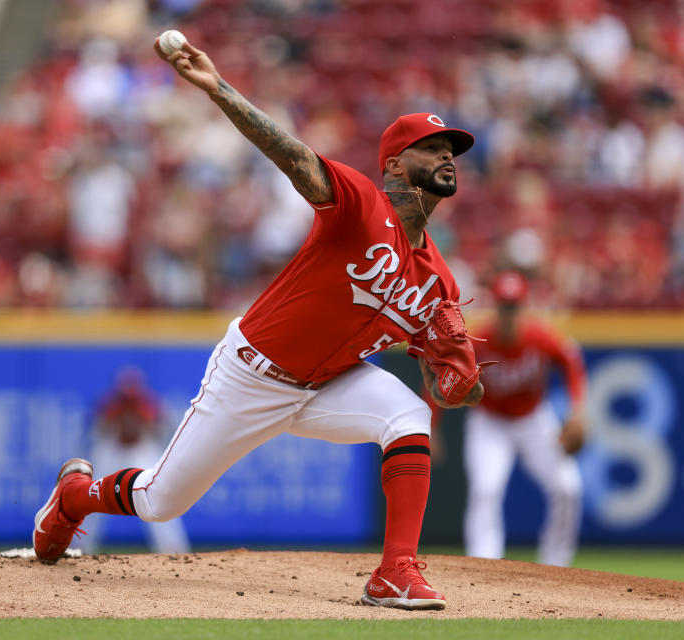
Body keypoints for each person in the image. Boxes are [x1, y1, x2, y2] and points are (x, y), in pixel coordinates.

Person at [33, 36, 485, 611]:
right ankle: (74, 496)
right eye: (432, 146)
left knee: (408, 415)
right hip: (252, 375)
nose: (448, 155)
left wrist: (460, 384)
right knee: (159, 502)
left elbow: (446, 389)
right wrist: (217, 88)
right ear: (395, 163)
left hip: (328, 384)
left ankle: (395, 571)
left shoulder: (439, 281)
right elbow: (291, 154)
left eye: (452, 148)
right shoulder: (360, 204)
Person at [463, 270, 586, 567]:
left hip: (533, 420)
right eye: (505, 306)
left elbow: (570, 361)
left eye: (515, 306)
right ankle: (483, 565)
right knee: (485, 489)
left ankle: (557, 565)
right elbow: (442, 379)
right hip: (490, 423)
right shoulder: (479, 341)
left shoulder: (539, 336)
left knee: (568, 489)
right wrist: (435, 425)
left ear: (524, 306)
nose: (509, 313)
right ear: (495, 306)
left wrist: (577, 409)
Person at [79, 367, 190, 554]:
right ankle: (81, 547)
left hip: (141, 449)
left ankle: (173, 548)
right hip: (113, 449)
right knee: (94, 495)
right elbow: (95, 431)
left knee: (158, 496)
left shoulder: (151, 404)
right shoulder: (109, 405)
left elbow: (166, 430)